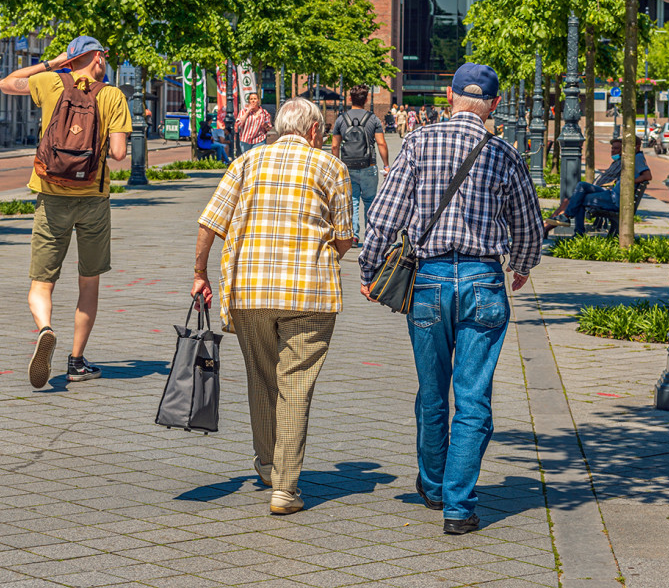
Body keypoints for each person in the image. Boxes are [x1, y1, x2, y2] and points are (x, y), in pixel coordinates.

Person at [359, 63, 544, 535]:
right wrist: (521, 265)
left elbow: (384, 215)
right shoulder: (504, 152)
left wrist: (370, 269)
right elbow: (528, 226)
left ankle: (433, 482)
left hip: (430, 279)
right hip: (483, 280)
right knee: (473, 395)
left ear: (449, 96)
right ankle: (459, 507)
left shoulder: (419, 143)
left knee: (431, 389)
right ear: (495, 105)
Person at [192, 98, 353, 516]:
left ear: (281, 127)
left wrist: (200, 273)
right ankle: (285, 487)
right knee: (295, 384)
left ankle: (266, 464)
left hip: (250, 292)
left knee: (262, 379)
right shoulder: (331, 167)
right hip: (309, 293)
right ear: (315, 131)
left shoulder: (246, 162)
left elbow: (210, 221)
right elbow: (344, 238)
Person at [0, 35, 131, 387]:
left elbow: (7, 82)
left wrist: (51, 64)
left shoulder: (49, 82)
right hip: (93, 200)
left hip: (50, 195)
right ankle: (76, 362)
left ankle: (45, 328)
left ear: (70, 60)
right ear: (99, 58)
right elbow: (118, 154)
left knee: (42, 283)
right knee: (89, 282)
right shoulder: (113, 95)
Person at [544, 138, 652, 236]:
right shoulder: (632, 157)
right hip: (612, 194)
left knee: (578, 199)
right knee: (581, 187)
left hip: (615, 199)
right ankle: (567, 220)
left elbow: (648, 176)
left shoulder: (636, 158)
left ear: (637, 146)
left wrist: (628, 181)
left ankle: (571, 224)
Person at [331, 85, 390, 242]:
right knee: (370, 200)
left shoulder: (341, 119)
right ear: (366, 99)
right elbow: (381, 143)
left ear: (350, 99)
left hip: (348, 166)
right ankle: (370, 235)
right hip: (369, 165)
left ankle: (354, 235)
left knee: (353, 200)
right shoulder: (373, 119)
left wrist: (336, 165)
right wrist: (386, 165)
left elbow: (335, 145)